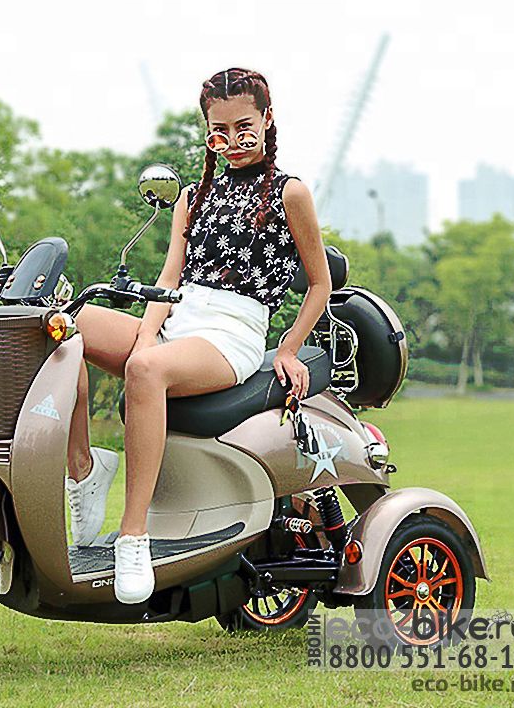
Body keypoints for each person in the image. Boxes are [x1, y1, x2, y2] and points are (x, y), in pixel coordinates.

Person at [66, 67, 333, 604]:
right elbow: (169, 279)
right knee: (68, 325)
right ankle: (84, 470)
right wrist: (148, 334)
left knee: (146, 369)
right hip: (178, 319)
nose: (232, 140)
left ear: (267, 120)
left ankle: (134, 537)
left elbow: (320, 283)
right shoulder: (193, 195)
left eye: (244, 127)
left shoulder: (291, 192)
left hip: (232, 333)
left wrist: (287, 347)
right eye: (219, 130)